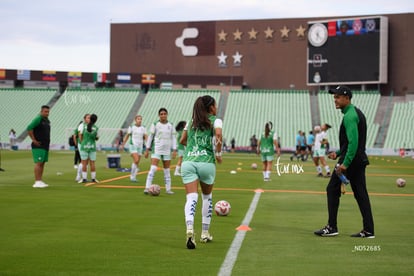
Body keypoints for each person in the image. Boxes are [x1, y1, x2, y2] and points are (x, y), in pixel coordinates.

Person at [314, 86, 375, 238]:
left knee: (332, 189)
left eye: (338, 97)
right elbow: (351, 143)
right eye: (334, 97)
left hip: (352, 161)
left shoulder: (349, 116)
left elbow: (353, 143)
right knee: (361, 194)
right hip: (358, 159)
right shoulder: (353, 113)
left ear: (347, 98)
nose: (335, 100)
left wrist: (345, 164)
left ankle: (332, 227)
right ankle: (368, 230)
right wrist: (339, 152)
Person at [180, 95, 223, 249]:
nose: (216, 108)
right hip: (206, 162)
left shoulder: (190, 121)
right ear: (210, 107)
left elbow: (182, 140)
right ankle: (205, 233)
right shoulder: (215, 120)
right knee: (207, 197)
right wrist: (218, 154)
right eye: (215, 105)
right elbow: (218, 134)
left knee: (191, 197)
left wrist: (193, 147)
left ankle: (190, 229)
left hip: (188, 162)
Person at [144, 108, 177, 194]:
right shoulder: (155, 124)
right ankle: (147, 188)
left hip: (167, 150)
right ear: (159, 115)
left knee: (167, 170)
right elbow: (150, 137)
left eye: (164, 114)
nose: (163, 115)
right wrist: (147, 149)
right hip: (157, 148)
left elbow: (173, 138)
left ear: (167, 115)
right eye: (161, 114)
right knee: (153, 168)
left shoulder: (171, 125)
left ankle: (168, 189)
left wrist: (174, 150)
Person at [27, 105, 51, 188]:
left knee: (43, 163)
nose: (47, 113)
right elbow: (29, 128)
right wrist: (34, 140)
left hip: (45, 145)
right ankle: (36, 182)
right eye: (45, 111)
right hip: (38, 145)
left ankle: (40, 181)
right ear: (41, 111)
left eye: (48, 112)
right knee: (39, 163)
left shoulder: (47, 120)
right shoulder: (38, 119)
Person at [121, 115, 147, 182]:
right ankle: (132, 177)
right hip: (133, 145)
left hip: (140, 146)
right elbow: (127, 136)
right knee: (136, 160)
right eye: (138, 119)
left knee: (137, 162)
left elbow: (145, 136)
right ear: (135, 120)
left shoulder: (143, 128)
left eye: (141, 119)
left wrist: (148, 145)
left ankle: (134, 177)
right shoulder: (132, 127)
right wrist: (123, 144)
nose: (140, 120)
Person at [78, 114, 99, 183]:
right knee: (92, 163)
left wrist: (83, 143)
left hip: (84, 146)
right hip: (92, 146)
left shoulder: (83, 126)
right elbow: (97, 138)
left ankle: (84, 179)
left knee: (84, 163)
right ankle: (93, 179)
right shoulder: (96, 128)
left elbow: (80, 135)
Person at [73, 114, 90, 182]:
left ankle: (80, 176)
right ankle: (81, 176)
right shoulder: (81, 126)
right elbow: (75, 135)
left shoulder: (90, 126)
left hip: (88, 145)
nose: (89, 119)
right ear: (85, 119)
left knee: (85, 161)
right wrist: (77, 144)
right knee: (84, 161)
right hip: (82, 145)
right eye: (88, 118)